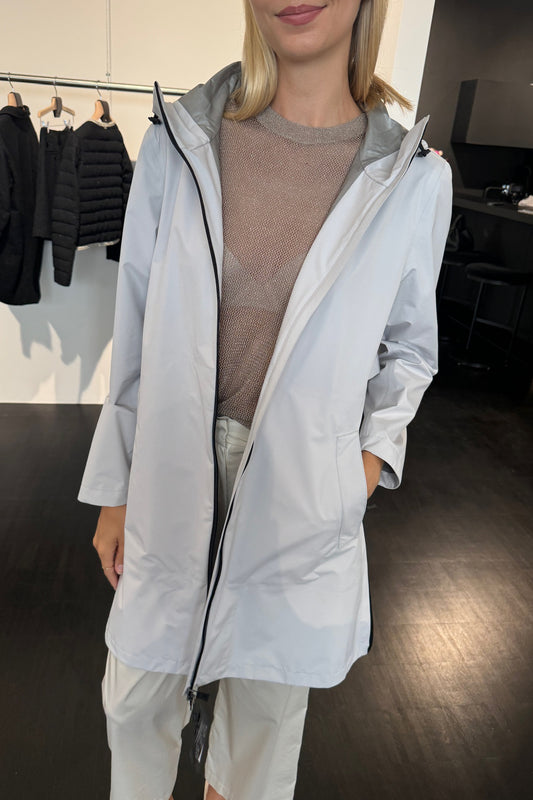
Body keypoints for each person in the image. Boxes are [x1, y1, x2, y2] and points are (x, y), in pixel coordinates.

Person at [78, 1, 453, 798]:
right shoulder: (181, 141)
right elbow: (136, 323)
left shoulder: (411, 177)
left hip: (299, 481)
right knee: (135, 700)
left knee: (262, 725)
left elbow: (409, 348)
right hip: (172, 464)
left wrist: (362, 466)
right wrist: (114, 488)